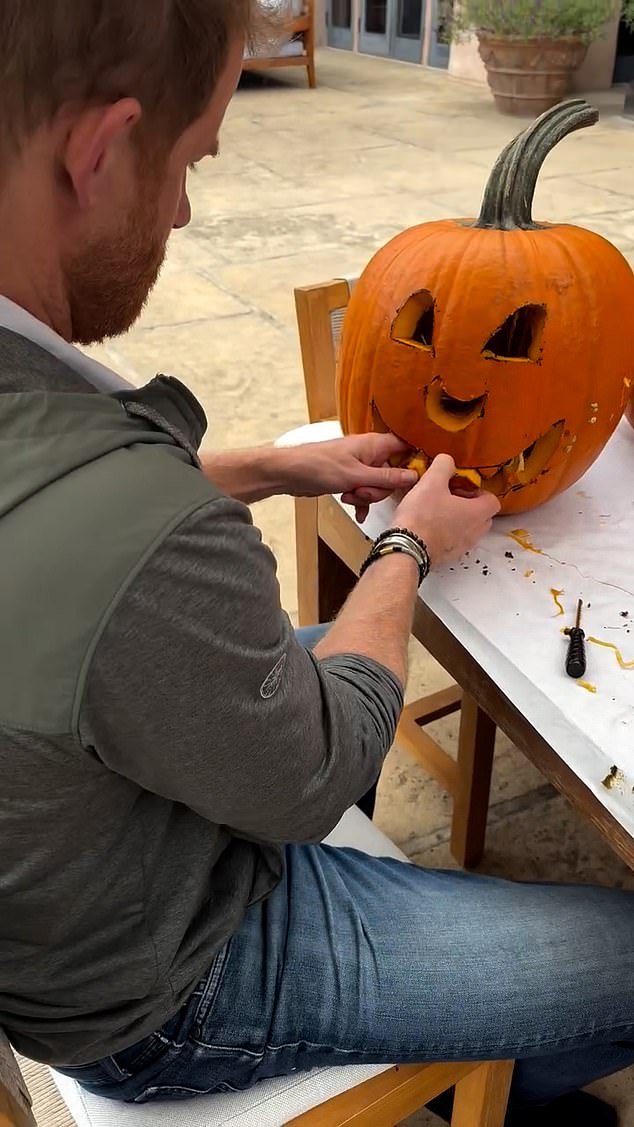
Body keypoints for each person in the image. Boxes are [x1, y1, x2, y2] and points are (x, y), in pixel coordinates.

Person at [0, 4, 632, 1126]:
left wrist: (265, 465)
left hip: (74, 844)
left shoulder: (52, 441)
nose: (182, 210)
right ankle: (490, 1090)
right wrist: (407, 547)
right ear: (100, 149)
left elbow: (54, 519)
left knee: (315, 663)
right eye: (190, 163)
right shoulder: (143, 530)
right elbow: (313, 772)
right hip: (158, 985)